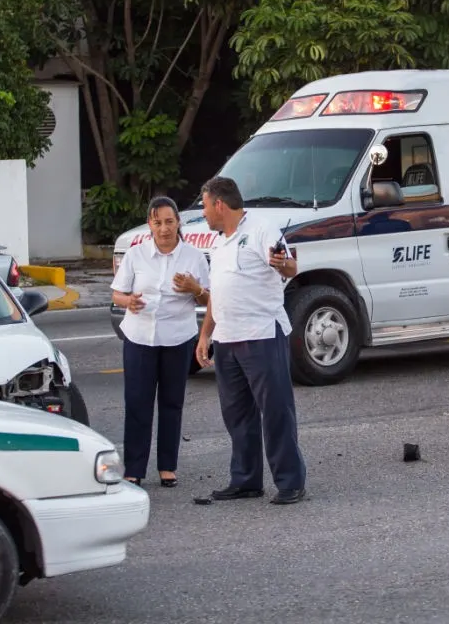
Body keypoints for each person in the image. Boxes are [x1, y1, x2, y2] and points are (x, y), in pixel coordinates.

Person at [196, 176, 306, 505]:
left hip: (261, 335)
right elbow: (217, 293)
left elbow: (289, 267)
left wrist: (283, 263)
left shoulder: (261, 229)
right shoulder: (219, 243)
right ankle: (245, 480)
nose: (203, 213)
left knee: (275, 411)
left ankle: (290, 482)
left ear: (219, 204)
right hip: (228, 339)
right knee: (237, 414)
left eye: (204, 206)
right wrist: (206, 335)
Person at [111, 196, 209, 486]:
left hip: (177, 337)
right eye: (157, 222)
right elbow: (117, 293)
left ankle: (168, 466)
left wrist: (194, 288)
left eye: (169, 221)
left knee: (171, 402)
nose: (164, 228)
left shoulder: (193, 256)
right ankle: (134, 468)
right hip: (139, 337)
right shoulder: (136, 255)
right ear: (149, 225)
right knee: (138, 403)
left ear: (178, 222)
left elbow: (208, 298)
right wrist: (128, 300)